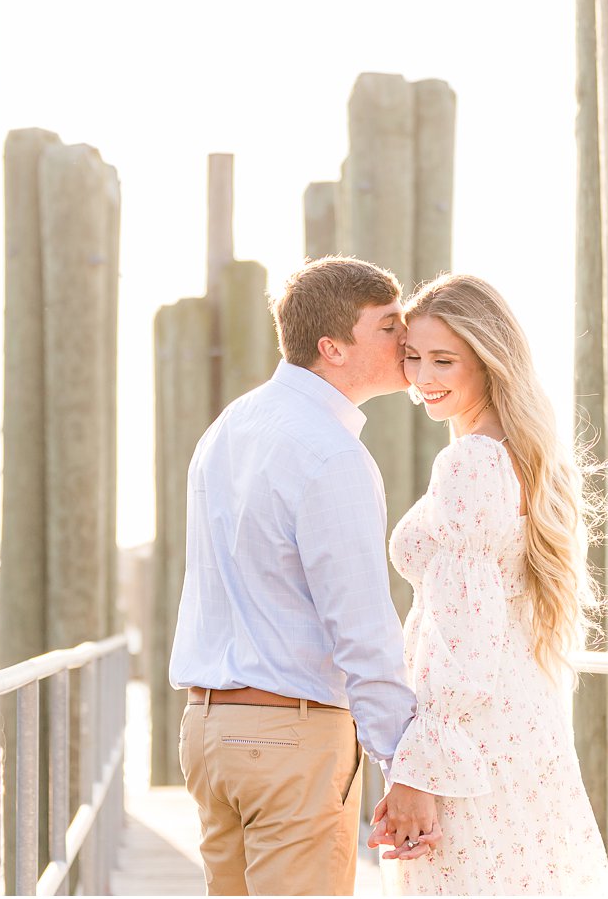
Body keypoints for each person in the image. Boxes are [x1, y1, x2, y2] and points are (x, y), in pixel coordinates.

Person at [170, 256, 440, 896]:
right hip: (289, 736)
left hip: (208, 735)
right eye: (386, 326)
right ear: (333, 348)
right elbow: (362, 627)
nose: (405, 340)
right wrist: (403, 766)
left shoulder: (227, 429)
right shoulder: (332, 452)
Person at [368, 274, 608, 896]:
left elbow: (463, 633)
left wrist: (419, 770)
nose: (424, 376)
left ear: (490, 359)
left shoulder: (473, 461)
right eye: (413, 358)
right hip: (518, 718)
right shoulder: (517, 452)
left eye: (444, 360)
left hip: (472, 738)